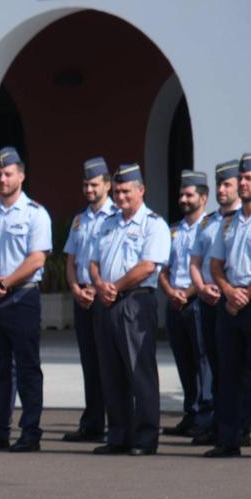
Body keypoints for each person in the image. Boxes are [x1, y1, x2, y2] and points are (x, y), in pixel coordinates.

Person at [0, 146, 52, 452]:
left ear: (21, 176)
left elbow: (37, 259)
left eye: (8, 174)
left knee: (28, 368)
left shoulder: (35, 214)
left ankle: (31, 432)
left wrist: (3, 282)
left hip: (22, 298)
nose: (2, 179)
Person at [89, 164, 170, 456]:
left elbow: (149, 265)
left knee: (140, 372)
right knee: (111, 372)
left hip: (135, 302)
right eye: (118, 190)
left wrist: (116, 286)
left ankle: (146, 437)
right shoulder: (108, 223)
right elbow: (93, 260)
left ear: (141, 190)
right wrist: (99, 283)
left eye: (126, 191)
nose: (121, 196)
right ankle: (119, 436)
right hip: (107, 302)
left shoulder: (154, 224)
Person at [205, 154, 251, 459]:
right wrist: (228, 292)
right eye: (242, 178)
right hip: (231, 304)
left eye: (249, 178)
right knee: (229, 374)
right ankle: (229, 440)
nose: (244, 183)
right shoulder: (227, 223)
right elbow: (216, 264)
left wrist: (244, 294)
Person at [188, 160, 244, 447]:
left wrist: (226, 290)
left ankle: (241, 426)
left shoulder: (246, 218)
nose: (222, 190)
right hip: (208, 300)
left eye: (227, 184)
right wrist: (199, 287)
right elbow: (195, 261)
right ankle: (220, 425)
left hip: (235, 300)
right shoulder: (209, 222)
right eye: (219, 184)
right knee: (215, 367)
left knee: (239, 369)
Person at [60, 157, 116, 442]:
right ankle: (92, 422)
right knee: (89, 362)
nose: (89, 189)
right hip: (82, 295)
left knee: (110, 362)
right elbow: (71, 259)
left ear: (107, 184)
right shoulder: (80, 220)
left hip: (106, 295)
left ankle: (115, 423)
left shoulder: (116, 216)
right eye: (85, 184)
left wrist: (96, 288)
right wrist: (74, 287)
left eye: (94, 184)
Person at [159, 170, 214, 439]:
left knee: (203, 362)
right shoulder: (173, 231)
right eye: (182, 194)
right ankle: (190, 413)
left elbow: (209, 269)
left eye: (189, 194)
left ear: (203, 198)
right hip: (175, 302)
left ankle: (206, 417)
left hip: (197, 301)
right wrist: (171, 291)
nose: (183, 198)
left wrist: (188, 293)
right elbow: (163, 268)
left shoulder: (211, 227)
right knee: (183, 362)